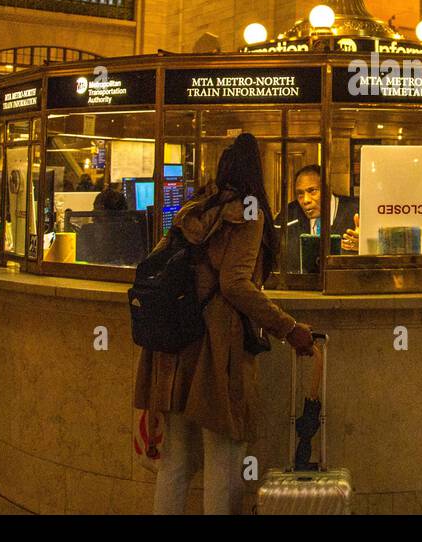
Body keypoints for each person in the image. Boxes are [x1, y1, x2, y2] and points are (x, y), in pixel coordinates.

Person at [135, 133, 315, 514]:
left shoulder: (192, 211)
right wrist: (289, 328)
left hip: (174, 347)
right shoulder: (248, 214)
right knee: (224, 459)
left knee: (176, 463)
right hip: (215, 351)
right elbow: (236, 284)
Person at [280, 164, 360, 257]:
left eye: (312, 191)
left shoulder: (357, 210)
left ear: (328, 188)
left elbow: (379, 252)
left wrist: (364, 246)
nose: (306, 200)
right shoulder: (288, 216)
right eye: (300, 194)